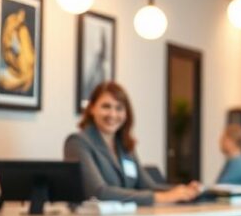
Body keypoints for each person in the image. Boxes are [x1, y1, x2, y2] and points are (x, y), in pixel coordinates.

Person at [64, 82, 200, 205]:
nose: (112, 114)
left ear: (126, 113)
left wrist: (183, 191)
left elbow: (147, 186)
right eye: (106, 106)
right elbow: (98, 192)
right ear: (92, 108)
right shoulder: (77, 142)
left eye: (119, 108)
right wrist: (160, 198)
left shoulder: (124, 145)